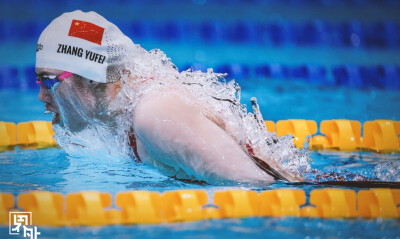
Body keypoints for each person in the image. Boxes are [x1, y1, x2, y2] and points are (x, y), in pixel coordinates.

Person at [36, 10, 306, 185]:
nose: (40, 96)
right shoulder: (128, 115)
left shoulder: (156, 116)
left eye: (48, 80)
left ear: (92, 77)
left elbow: (259, 189)